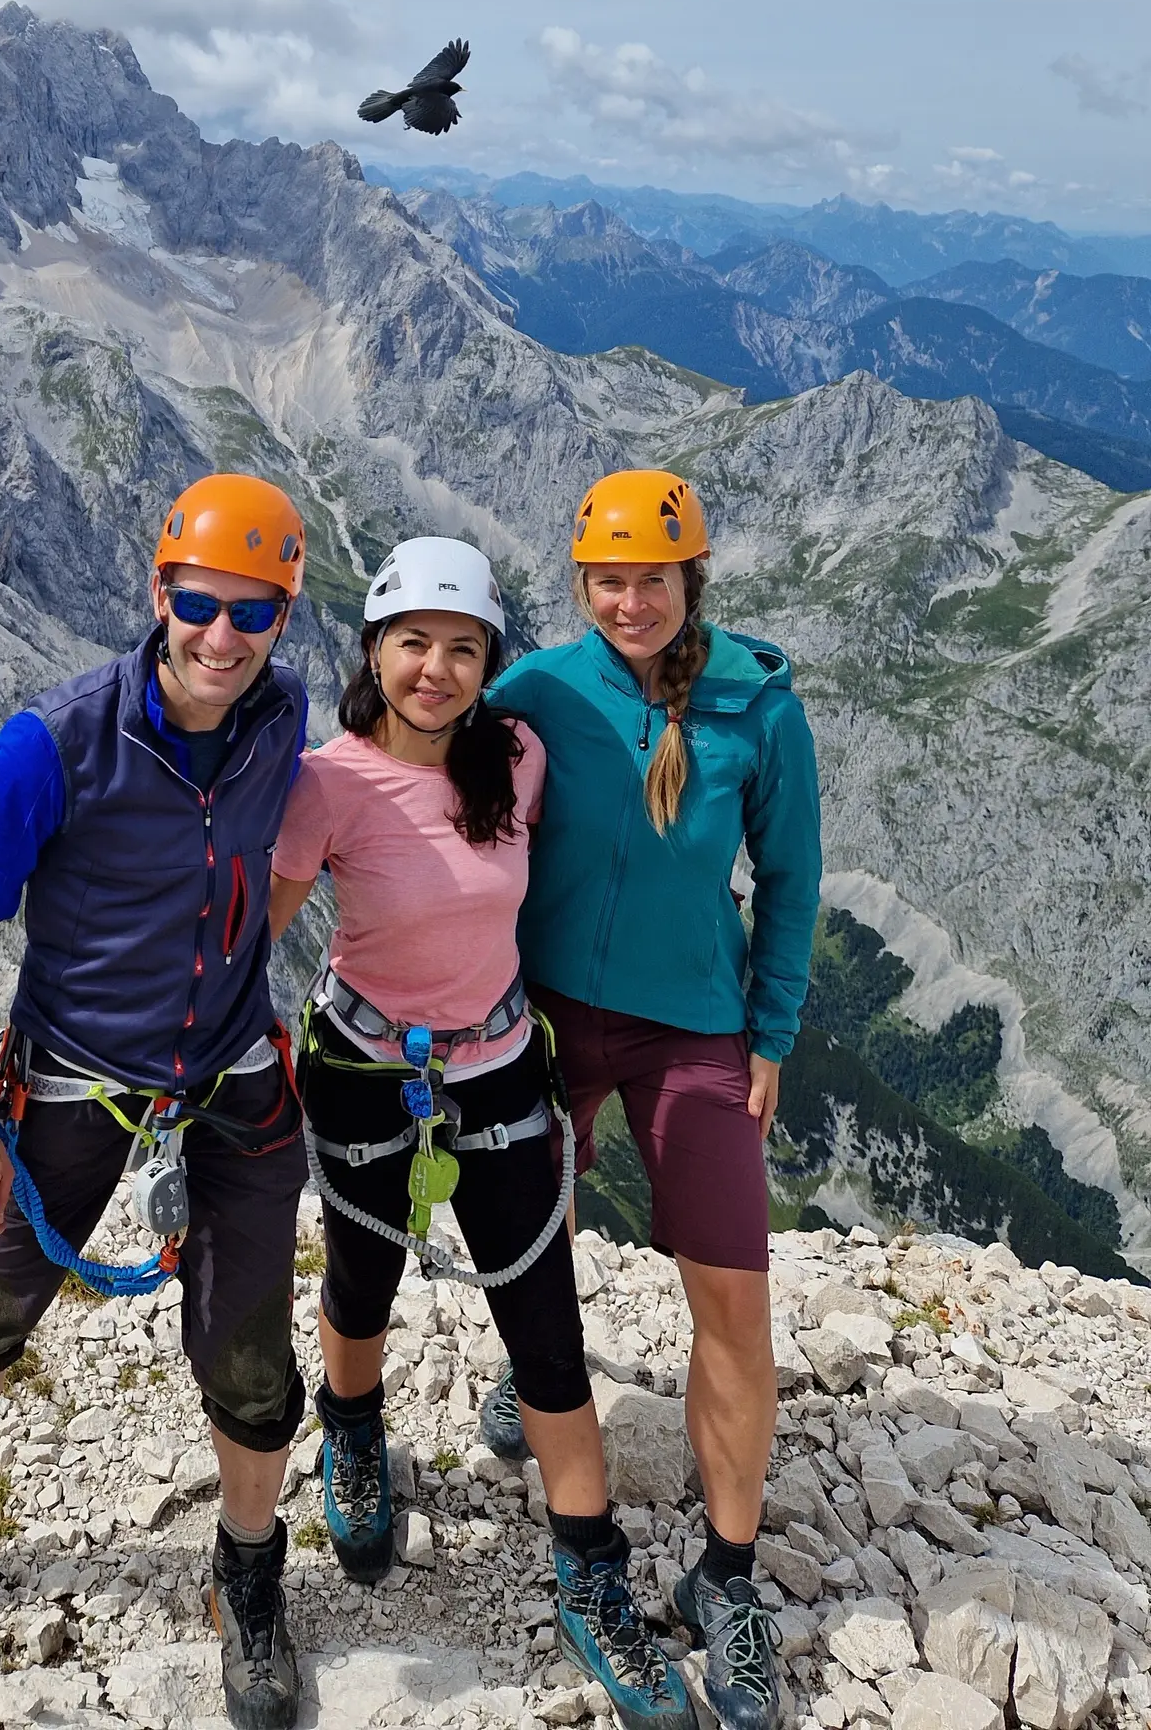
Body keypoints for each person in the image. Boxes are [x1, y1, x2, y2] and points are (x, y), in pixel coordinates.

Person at [0, 473, 315, 1730]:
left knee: (251, 1351)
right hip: (70, 1081)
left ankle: (247, 1573)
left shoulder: (284, 716)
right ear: (159, 593)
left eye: (251, 611)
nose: (222, 634)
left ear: (283, 616)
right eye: (201, 602)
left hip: (230, 1077)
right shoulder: (58, 740)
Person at [270, 537, 692, 1728]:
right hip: (362, 1071)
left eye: (463, 650)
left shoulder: (520, 756)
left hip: (502, 1073)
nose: (437, 671)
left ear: (488, 663)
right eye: (414, 644)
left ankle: (589, 1574)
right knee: (362, 1284)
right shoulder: (328, 782)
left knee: (545, 1329)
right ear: (373, 651)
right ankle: (352, 1435)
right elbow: (263, 921)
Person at [479, 470, 822, 1730]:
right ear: (581, 584)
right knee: (540, 1228)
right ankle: (534, 1378)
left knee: (733, 1292)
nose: (631, 600)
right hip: (546, 1010)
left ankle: (725, 1575)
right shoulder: (536, 692)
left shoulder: (758, 706)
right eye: (609, 579)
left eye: (654, 578)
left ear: (693, 581)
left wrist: (771, 1030)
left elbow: (790, 880)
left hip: (696, 1024)